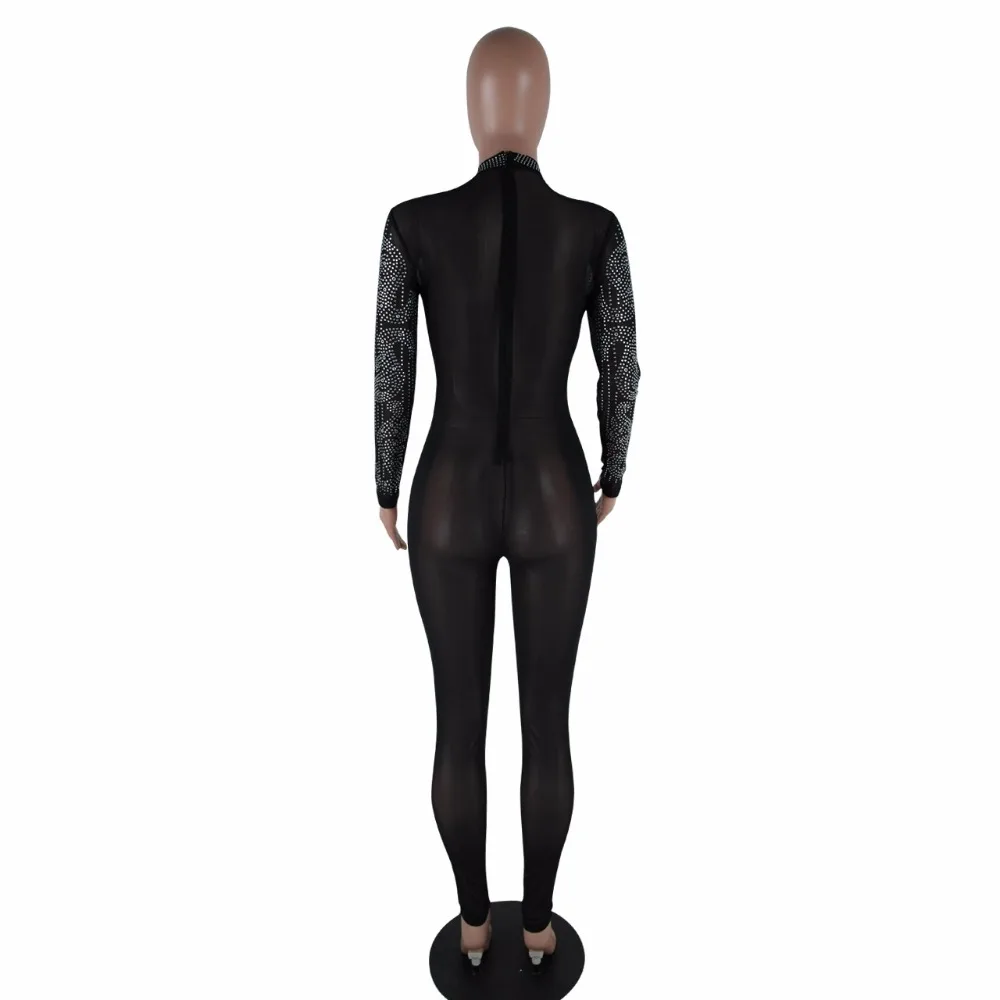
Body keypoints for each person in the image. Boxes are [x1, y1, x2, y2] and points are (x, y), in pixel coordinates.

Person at [373, 28, 640, 968]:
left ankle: (474, 928)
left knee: (457, 727)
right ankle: (538, 930)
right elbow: (621, 362)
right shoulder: (594, 229)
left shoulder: (413, 225)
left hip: (445, 493)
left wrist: (385, 485)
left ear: (473, 109)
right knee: (547, 728)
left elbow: (393, 367)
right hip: (556, 491)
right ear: (543, 108)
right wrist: (614, 469)